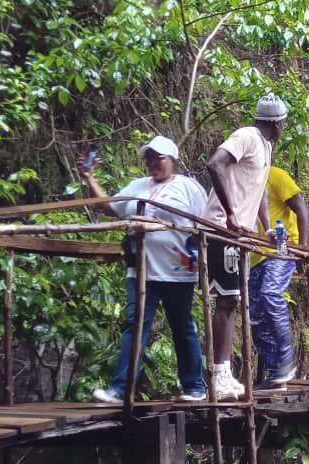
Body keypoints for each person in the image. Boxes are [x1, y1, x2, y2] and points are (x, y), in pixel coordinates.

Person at [84, 136, 208, 403]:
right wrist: (90, 178)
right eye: (149, 158)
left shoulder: (189, 188)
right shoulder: (137, 186)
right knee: (135, 324)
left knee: (182, 325)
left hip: (178, 268)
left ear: (172, 160)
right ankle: (120, 389)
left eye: (158, 158)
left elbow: (205, 225)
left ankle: (195, 386)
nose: (153, 163)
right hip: (141, 269)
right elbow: (110, 208)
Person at [204, 93, 287, 400]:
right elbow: (215, 163)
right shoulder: (248, 136)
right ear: (277, 122)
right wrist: (230, 213)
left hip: (241, 234)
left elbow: (260, 193)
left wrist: (266, 229)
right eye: (284, 123)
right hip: (223, 229)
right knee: (226, 301)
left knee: (232, 300)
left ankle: (223, 373)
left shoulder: (265, 148)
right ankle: (219, 374)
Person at [249, 166, 309, 391]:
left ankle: (286, 360)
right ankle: (276, 374)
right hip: (255, 253)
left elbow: (301, 209)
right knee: (255, 317)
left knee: (270, 293)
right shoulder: (244, 181)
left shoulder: (275, 175)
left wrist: (302, 248)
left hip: (283, 246)